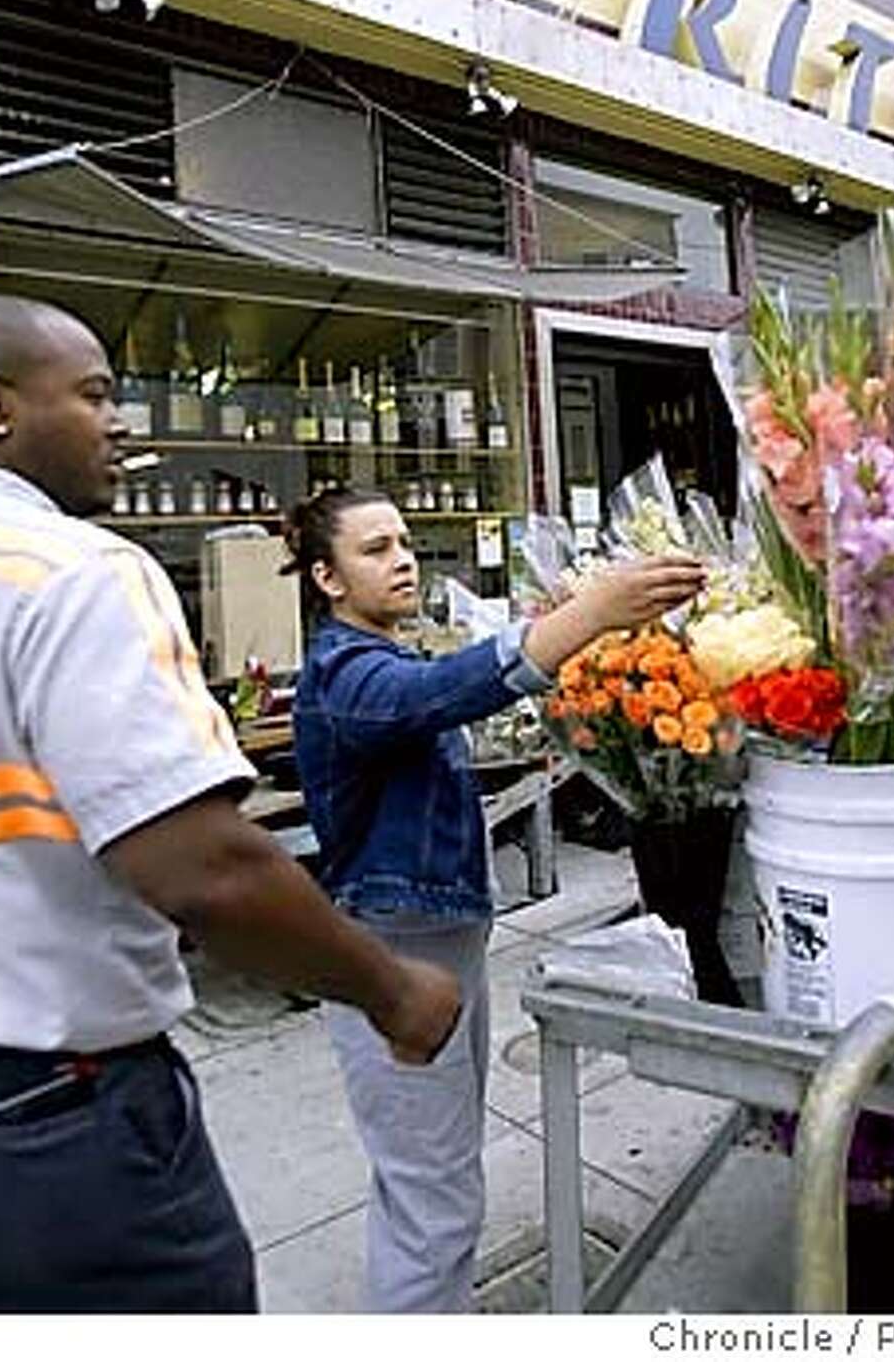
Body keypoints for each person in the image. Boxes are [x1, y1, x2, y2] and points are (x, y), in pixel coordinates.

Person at [0, 296, 461, 1314]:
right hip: (53, 1129)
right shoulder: (77, 572)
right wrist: (391, 990)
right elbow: (203, 866)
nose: (124, 423)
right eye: (97, 394)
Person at [288, 485, 704, 1313]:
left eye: (405, 541)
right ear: (327, 578)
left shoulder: (391, 657)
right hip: (390, 958)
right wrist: (590, 613)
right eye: (374, 549)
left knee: (433, 1180)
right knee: (432, 1200)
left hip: (440, 944)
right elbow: (448, 692)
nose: (402, 558)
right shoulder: (344, 675)